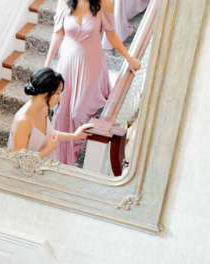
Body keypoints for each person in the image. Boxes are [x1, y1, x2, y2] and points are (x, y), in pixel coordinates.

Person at [45, 0, 141, 164]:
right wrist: (46, 66)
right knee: (61, 114)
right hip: (66, 66)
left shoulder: (104, 3)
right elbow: (58, 33)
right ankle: (59, 160)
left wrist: (129, 58)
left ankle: (71, 155)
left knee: (77, 113)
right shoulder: (64, 2)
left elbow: (111, 36)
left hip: (91, 67)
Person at [7, 67, 93, 156]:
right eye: (58, 93)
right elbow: (18, 161)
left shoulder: (43, 107)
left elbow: (48, 134)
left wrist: (75, 135)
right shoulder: (23, 121)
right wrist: (48, 149)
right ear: (45, 92)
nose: (59, 97)